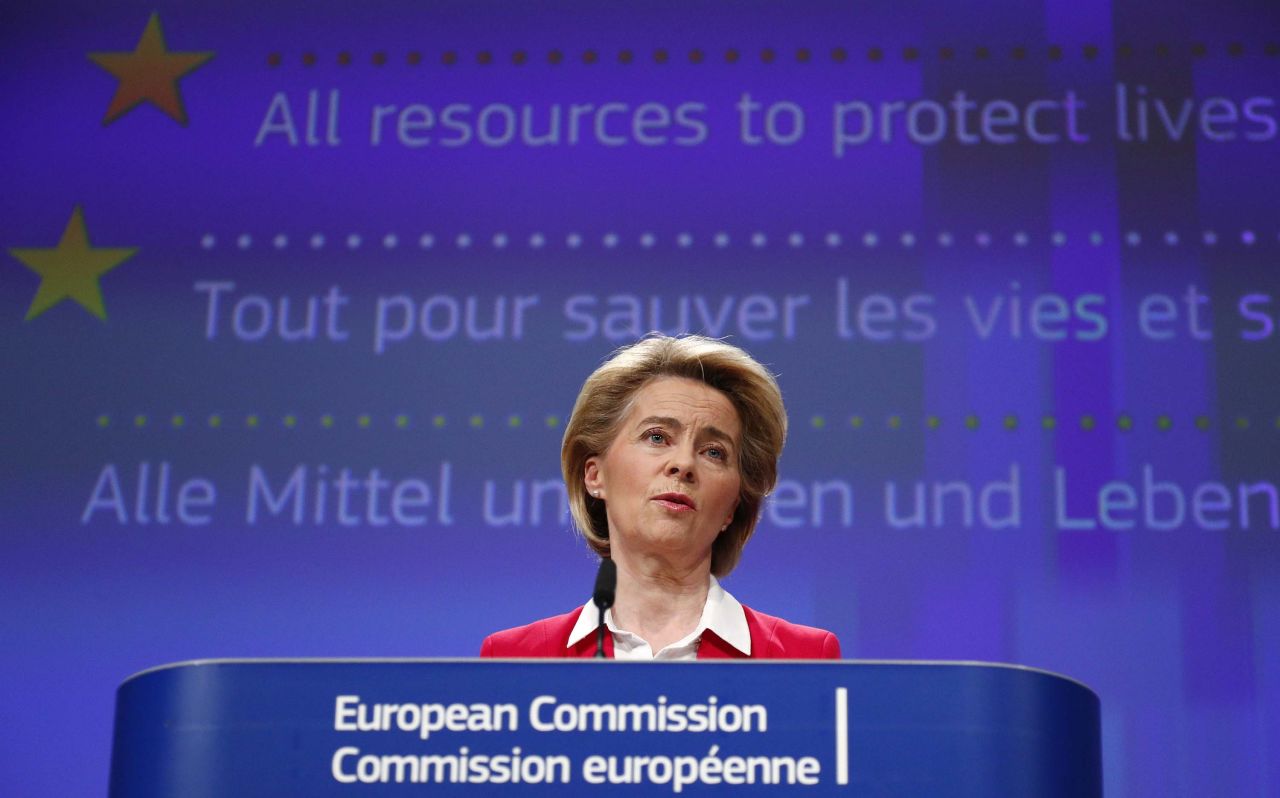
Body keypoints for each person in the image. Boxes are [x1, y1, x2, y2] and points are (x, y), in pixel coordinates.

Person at [480, 334, 840, 660]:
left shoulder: (802, 658)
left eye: (714, 452)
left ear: (733, 506)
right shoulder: (516, 660)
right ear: (595, 475)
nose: (683, 464)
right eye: (657, 437)